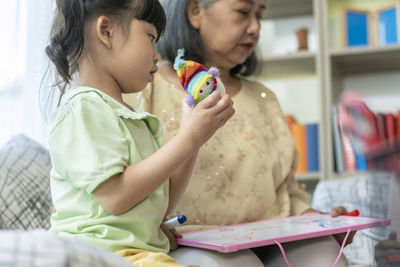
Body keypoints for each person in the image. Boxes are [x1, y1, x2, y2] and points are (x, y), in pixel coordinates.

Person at [123, 0, 354, 266]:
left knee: (324, 254)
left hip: (272, 238)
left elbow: (287, 192)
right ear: (195, 11)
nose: (255, 27)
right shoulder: (146, 89)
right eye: (243, 12)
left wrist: (319, 220)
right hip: (183, 242)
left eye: (259, 15)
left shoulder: (265, 98)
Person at [43, 0, 244, 266]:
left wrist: (195, 139)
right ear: (106, 32)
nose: (157, 55)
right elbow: (116, 196)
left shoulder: (134, 119)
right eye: (150, 37)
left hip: (134, 253)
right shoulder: (84, 108)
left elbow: (163, 200)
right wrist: (188, 139)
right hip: (94, 252)